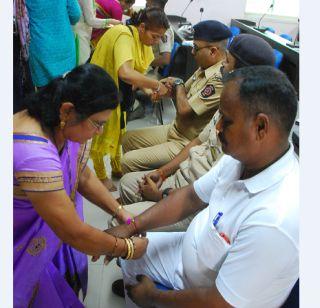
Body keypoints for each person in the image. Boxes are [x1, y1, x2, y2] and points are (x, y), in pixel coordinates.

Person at [107, 66, 299, 307]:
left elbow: (219, 302)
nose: (216, 129)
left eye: (226, 121)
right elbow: (190, 197)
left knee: (137, 274)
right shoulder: (242, 158)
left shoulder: (275, 220)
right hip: (191, 255)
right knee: (130, 253)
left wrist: (153, 296)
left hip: (208, 295)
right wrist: (131, 226)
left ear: (261, 127)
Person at [13, 64, 148, 307]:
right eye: (98, 123)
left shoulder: (60, 123)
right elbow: (73, 232)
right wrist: (126, 248)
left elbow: (82, 176)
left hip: (48, 225)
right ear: (67, 110)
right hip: (18, 241)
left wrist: (122, 214)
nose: (100, 131)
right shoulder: (33, 151)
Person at [118, 34, 276, 231]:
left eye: (227, 61)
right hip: (184, 174)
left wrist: (162, 195)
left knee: (120, 221)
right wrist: (162, 172)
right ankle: (140, 243)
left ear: (243, 71)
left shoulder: (247, 133)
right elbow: (198, 142)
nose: (222, 66)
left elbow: (211, 193)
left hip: (192, 203)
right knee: (126, 183)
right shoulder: (231, 100)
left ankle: (143, 244)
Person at [121, 20, 232, 174]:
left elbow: (184, 109)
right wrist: (161, 87)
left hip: (184, 142)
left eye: (196, 48)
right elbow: (180, 92)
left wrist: (177, 83)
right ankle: (136, 185)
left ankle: (138, 189)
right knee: (128, 139)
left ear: (213, 51)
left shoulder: (218, 79)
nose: (192, 52)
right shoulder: (204, 68)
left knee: (127, 161)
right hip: (174, 129)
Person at [89, 7, 169, 191]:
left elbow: (138, 76)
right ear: (142, 27)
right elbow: (125, 73)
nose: (156, 42)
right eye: (155, 36)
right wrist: (156, 86)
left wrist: (151, 93)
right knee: (101, 135)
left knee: (119, 133)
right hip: (104, 91)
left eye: (160, 38)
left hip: (122, 92)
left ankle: (117, 168)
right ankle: (101, 176)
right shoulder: (123, 35)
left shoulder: (141, 43)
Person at [128, 0, 175, 121]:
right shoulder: (141, 30)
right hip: (143, 65)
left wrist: (140, 61)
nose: (145, 9)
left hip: (151, 69)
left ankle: (133, 105)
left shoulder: (162, 30)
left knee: (128, 78)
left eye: (147, 6)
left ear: (154, 8)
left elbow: (165, 59)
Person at [25, 0, 81, 87]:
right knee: (67, 89)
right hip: (65, 46)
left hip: (40, 47)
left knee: (44, 94)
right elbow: (75, 15)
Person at [73, 0, 122, 65]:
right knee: (81, 63)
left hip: (83, 33)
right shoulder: (116, 7)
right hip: (79, 35)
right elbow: (90, 20)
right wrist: (110, 22)